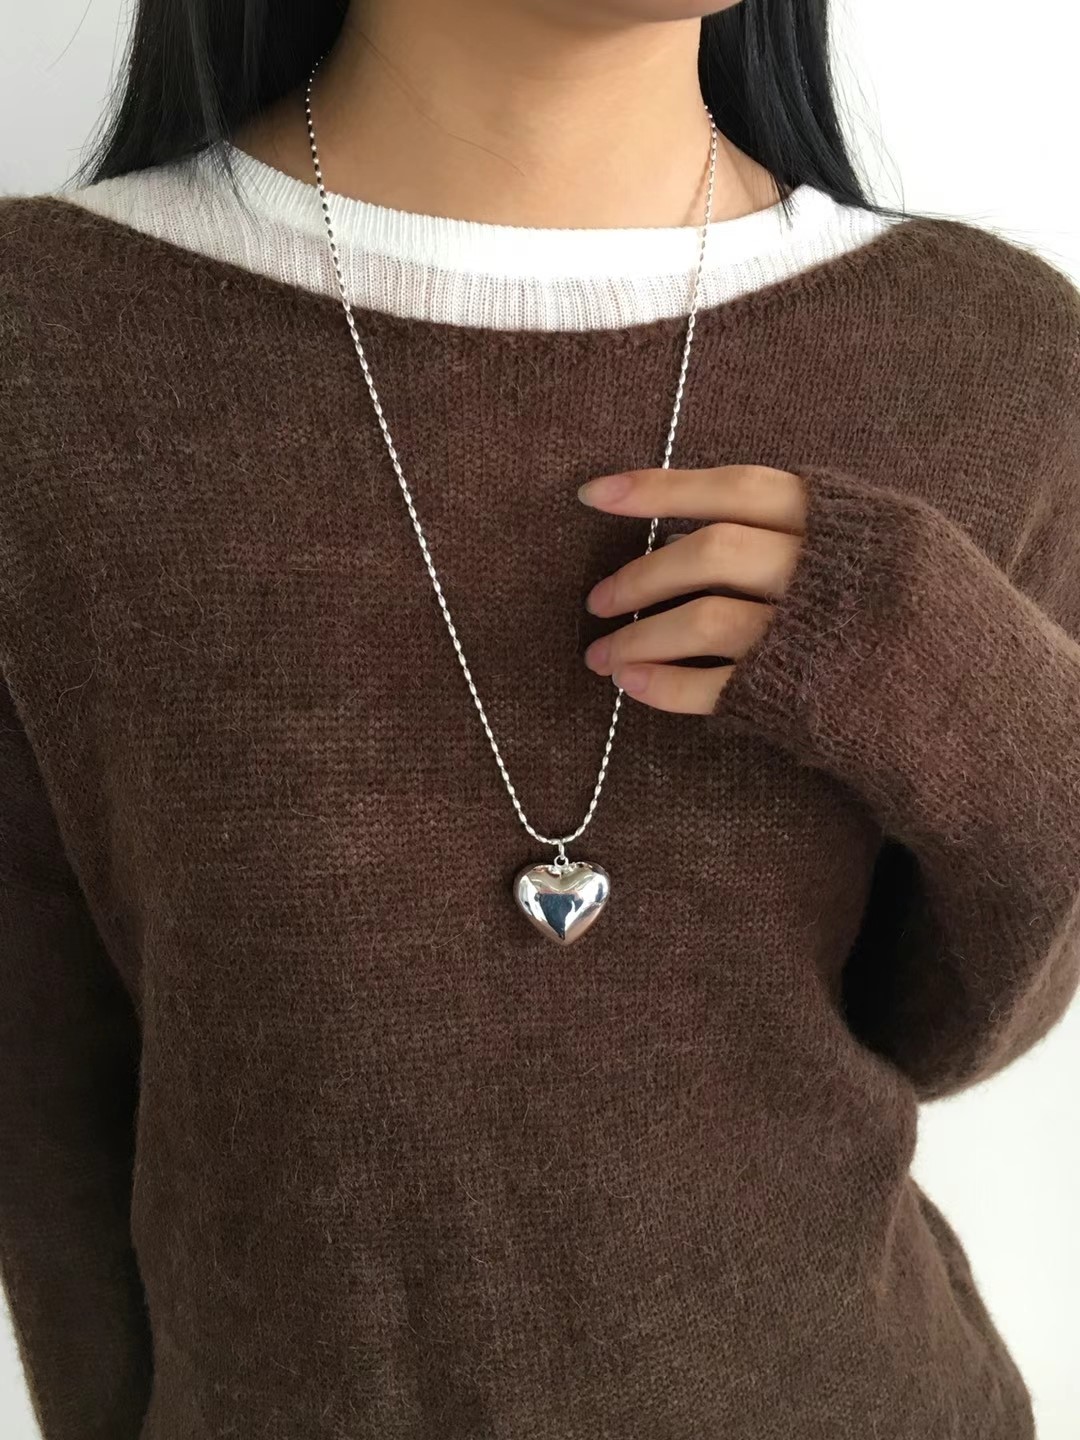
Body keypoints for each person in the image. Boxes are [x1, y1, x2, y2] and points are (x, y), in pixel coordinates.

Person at [1, 1, 1078, 1436]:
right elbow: (39, 1070)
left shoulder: (994, 358)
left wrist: (944, 674)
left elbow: (952, 1028)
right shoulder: (47, 348)